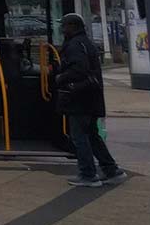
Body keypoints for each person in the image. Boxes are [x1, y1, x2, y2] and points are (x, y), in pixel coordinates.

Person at [54, 12, 126, 187]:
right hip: (91, 97)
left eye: (64, 26)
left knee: (79, 136)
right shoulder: (86, 43)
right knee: (92, 135)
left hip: (79, 98)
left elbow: (79, 69)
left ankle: (88, 174)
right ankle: (111, 170)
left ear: (72, 27)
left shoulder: (75, 45)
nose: (62, 29)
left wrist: (60, 77)